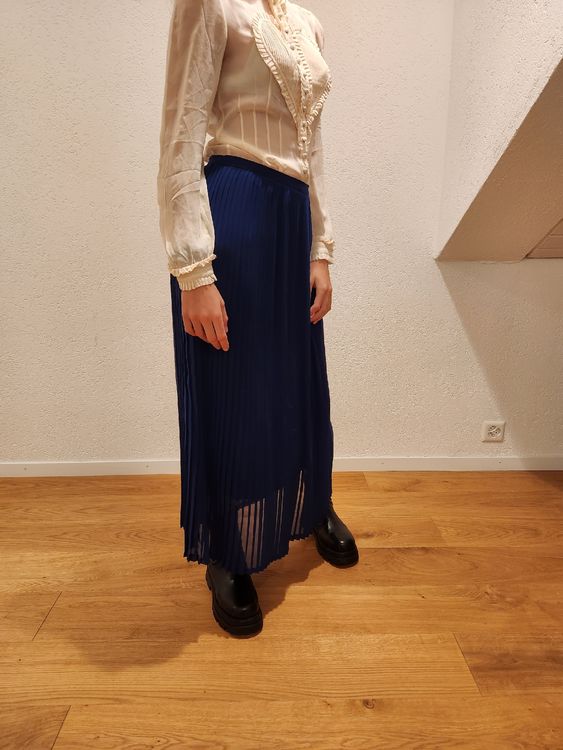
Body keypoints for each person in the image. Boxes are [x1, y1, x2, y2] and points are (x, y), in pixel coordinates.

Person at [157, 0, 358, 637]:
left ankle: (310, 502)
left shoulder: (307, 23)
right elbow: (181, 132)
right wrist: (194, 271)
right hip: (236, 211)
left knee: (298, 379)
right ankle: (227, 551)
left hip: (292, 218)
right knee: (233, 389)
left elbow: (311, 143)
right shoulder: (212, 6)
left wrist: (321, 247)